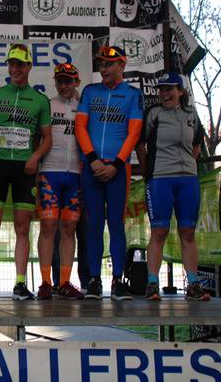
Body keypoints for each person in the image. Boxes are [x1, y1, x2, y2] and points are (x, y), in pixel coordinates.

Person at [0, 43, 52, 301]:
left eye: (19, 64)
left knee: (22, 226)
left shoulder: (40, 100)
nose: (14, 69)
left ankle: (20, 283)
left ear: (29, 66)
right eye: (11, 64)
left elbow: (48, 138)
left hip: (24, 168)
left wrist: (35, 157)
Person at [75, 45, 143, 301]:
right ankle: (94, 279)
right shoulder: (90, 91)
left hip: (119, 169)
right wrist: (93, 159)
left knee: (116, 223)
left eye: (108, 64)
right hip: (91, 168)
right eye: (101, 64)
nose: (103, 68)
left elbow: (134, 133)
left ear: (122, 65)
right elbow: (80, 127)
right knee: (93, 223)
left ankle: (117, 280)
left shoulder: (133, 95)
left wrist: (116, 164)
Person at [135, 72, 209, 301]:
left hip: (188, 179)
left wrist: (187, 165)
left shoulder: (191, 114)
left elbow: (197, 145)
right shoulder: (153, 113)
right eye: (161, 89)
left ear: (180, 91)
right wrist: (148, 169)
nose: (165, 93)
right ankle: (152, 284)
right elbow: (140, 144)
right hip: (160, 178)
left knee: (188, 232)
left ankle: (193, 284)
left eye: (170, 89)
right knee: (159, 231)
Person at [36, 63, 85, 300]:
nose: (64, 85)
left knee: (69, 228)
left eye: (68, 81)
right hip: (50, 172)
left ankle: (65, 281)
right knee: (47, 226)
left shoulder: (83, 106)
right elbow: (38, 138)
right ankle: (46, 282)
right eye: (60, 81)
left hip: (75, 174)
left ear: (77, 82)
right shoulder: (48, 105)